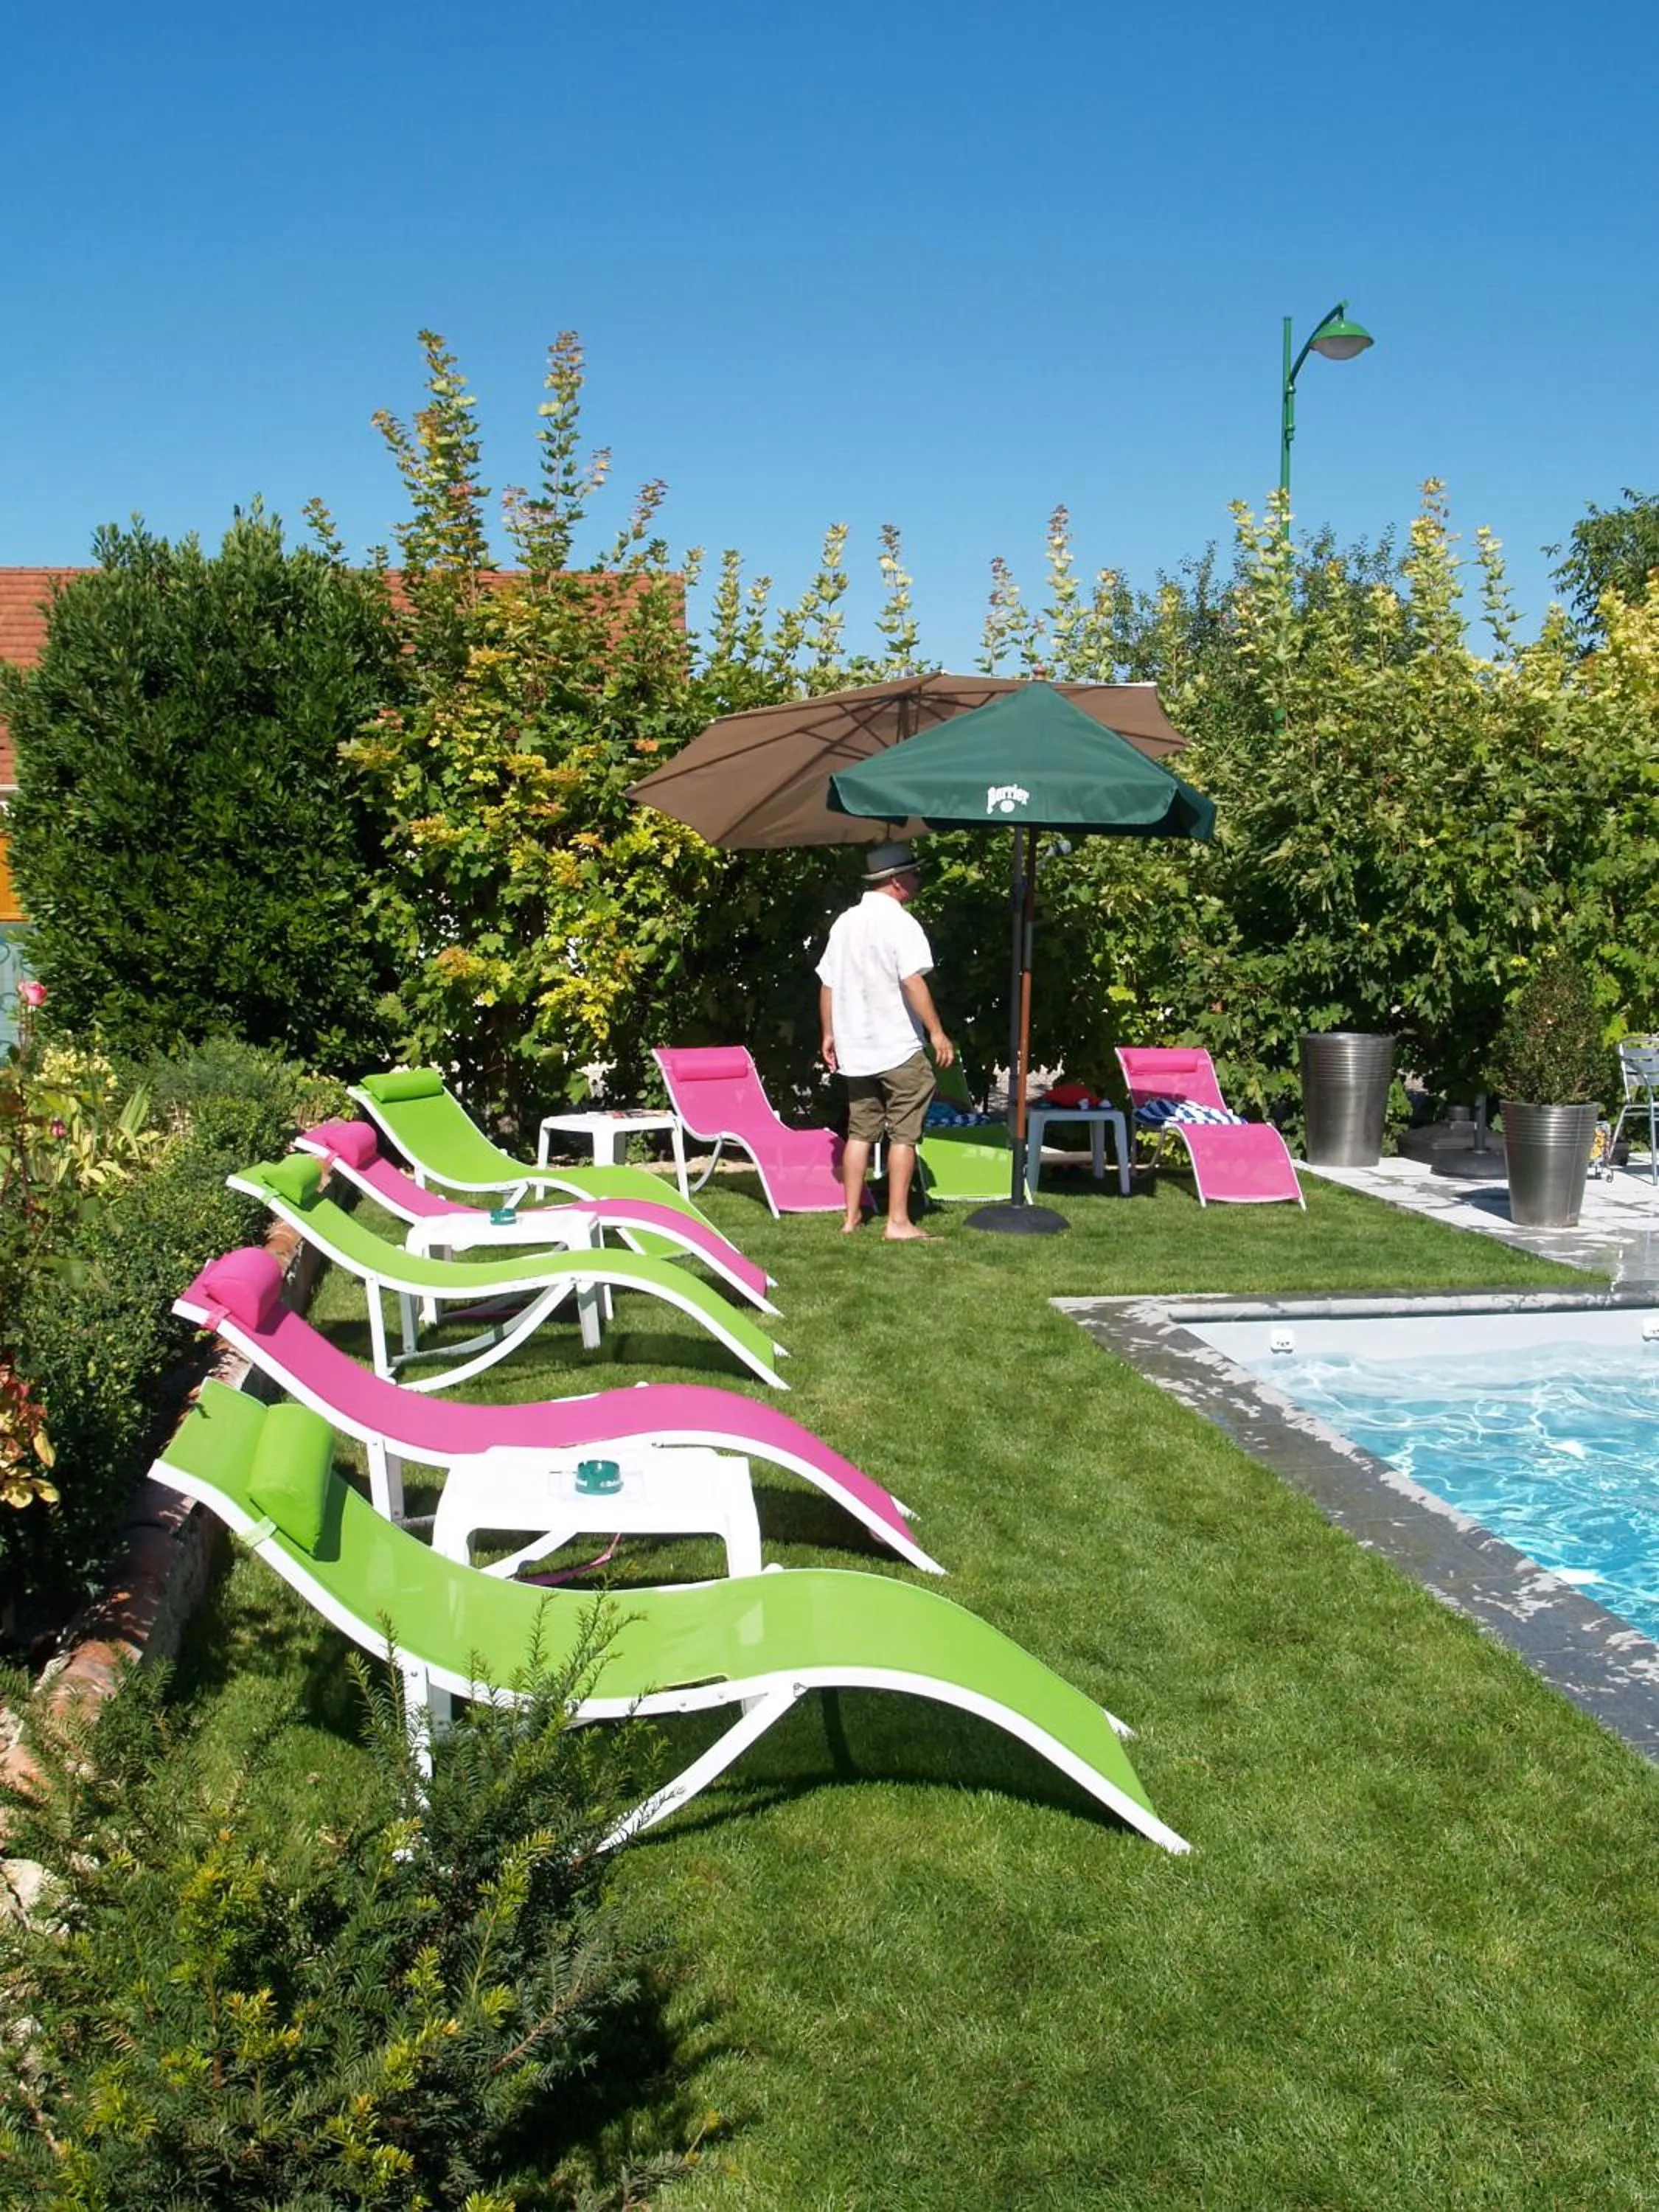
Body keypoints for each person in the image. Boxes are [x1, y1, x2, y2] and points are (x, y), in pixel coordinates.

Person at [816, 840, 955, 1240]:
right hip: (896, 1044)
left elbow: (827, 983)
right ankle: (897, 1221)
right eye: (914, 873)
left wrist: (829, 1033)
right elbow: (911, 980)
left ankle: (851, 1218)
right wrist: (937, 1031)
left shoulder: (844, 922)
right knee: (904, 1133)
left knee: (860, 1131)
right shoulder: (901, 923)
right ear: (896, 881)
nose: (918, 879)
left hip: (856, 1046)